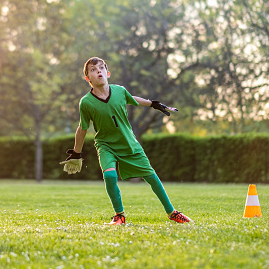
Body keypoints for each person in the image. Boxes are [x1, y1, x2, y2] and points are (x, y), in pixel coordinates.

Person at [61, 57, 193, 225]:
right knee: (109, 175)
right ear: (88, 79)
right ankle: (119, 215)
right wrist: (76, 152)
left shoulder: (120, 91)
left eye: (101, 68)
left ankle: (172, 212)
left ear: (107, 73)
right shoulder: (86, 103)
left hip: (129, 142)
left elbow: (132, 99)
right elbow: (82, 128)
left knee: (151, 176)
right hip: (106, 145)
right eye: (93, 70)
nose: (98, 71)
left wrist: (153, 104)